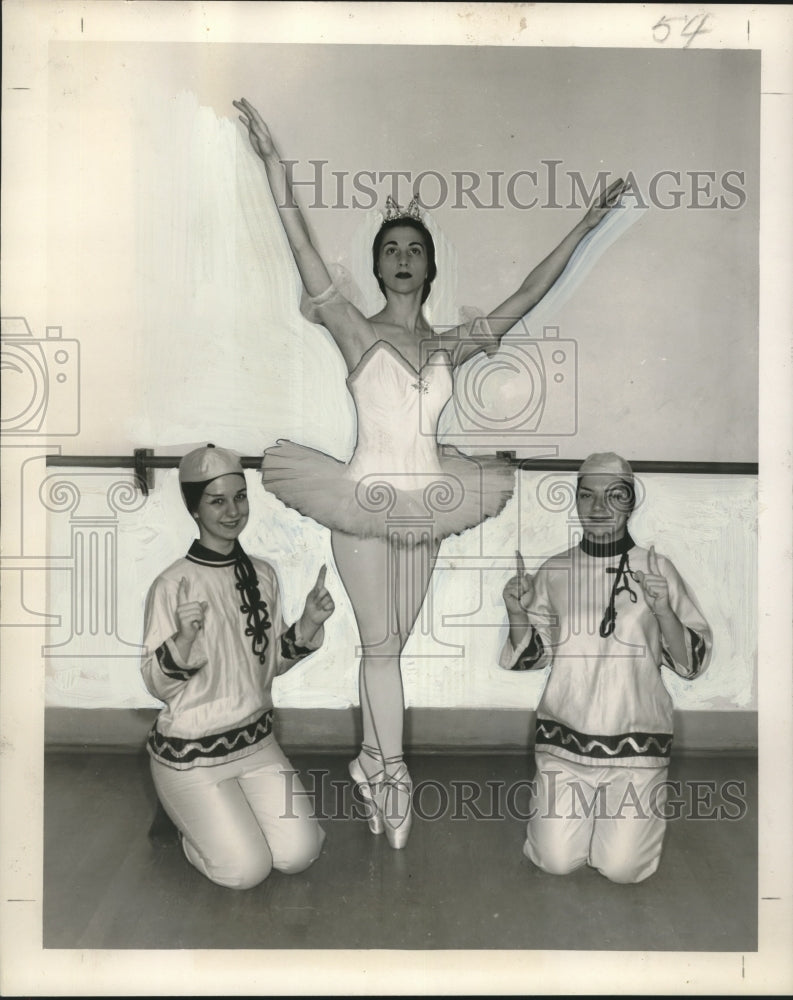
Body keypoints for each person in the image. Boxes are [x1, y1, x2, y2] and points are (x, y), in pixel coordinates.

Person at [233, 96, 626, 849]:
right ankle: (391, 774)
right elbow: (303, 251)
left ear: (430, 266)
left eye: (414, 248)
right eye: (390, 249)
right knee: (379, 647)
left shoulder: (448, 347)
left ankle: (373, 763)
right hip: (358, 499)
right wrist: (273, 164)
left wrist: (583, 225)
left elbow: (524, 298)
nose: (402, 257)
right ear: (379, 265)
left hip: (434, 502)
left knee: (392, 648)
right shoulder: (352, 329)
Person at [500, 452, 712, 883]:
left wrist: (664, 611)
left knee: (623, 870)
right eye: (587, 496)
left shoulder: (658, 571)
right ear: (575, 502)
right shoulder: (556, 570)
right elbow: (532, 655)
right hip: (564, 743)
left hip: (637, 745)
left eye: (613, 496)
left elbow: (690, 664)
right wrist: (516, 611)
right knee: (556, 862)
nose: (598, 509)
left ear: (630, 502)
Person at [141, 444, 334, 889]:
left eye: (240, 497)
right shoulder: (173, 584)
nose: (232, 511)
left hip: (256, 742)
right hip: (191, 754)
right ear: (194, 508)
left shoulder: (263, 574)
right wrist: (183, 641)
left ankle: (226, 817)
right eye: (217, 500)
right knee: (246, 872)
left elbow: (269, 665)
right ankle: (187, 825)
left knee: (299, 854)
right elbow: (155, 683)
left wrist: (308, 623)